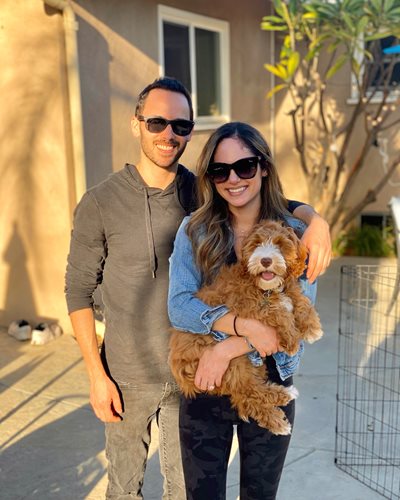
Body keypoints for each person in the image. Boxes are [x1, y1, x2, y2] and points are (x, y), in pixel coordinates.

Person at [65, 77, 330, 499]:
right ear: (137, 125)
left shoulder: (264, 222)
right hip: (167, 379)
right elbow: (164, 303)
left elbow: (296, 324)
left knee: (223, 492)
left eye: (180, 125)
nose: (233, 178)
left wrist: (317, 221)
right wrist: (97, 376)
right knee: (146, 489)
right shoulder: (173, 218)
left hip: (243, 378)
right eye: (156, 122)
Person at [168, 121, 331, 500]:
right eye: (220, 170)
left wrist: (226, 347)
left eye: (244, 167)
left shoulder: (296, 234)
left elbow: (294, 323)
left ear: (263, 167)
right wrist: (242, 326)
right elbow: (179, 306)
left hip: (269, 378)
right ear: (210, 176)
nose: (233, 179)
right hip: (205, 386)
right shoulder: (195, 230)